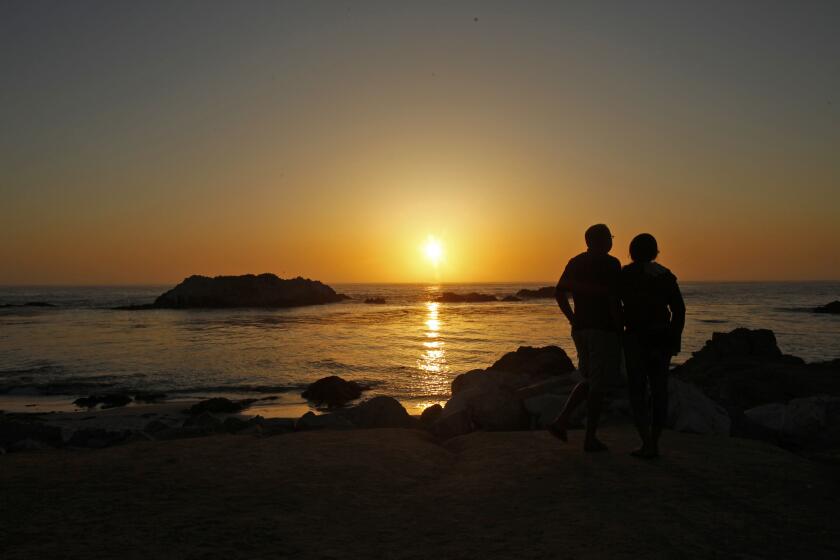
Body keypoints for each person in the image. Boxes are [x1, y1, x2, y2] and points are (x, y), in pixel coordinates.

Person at [548, 224, 622, 452]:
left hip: (581, 330)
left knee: (590, 379)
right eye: (610, 237)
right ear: (604, 241)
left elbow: (559, 293)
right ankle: (589, 438)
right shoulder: (611, 264)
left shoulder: (576, 262)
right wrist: (621, 328)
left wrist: (572, 318)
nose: (612, 241)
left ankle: (561, 422)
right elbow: (613, 299)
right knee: (597, 385)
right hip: (603, 330)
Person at [620, 233, 685, 459]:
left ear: (631, 252)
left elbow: (614, 305)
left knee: (637, 391)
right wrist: (674, 339)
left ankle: (646, 442)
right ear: (656, 252)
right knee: (659, 391)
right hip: (661, 337)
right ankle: (654, 442)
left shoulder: (625, 275)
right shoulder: (666, 276)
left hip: (635, 338)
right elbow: (679, 310)